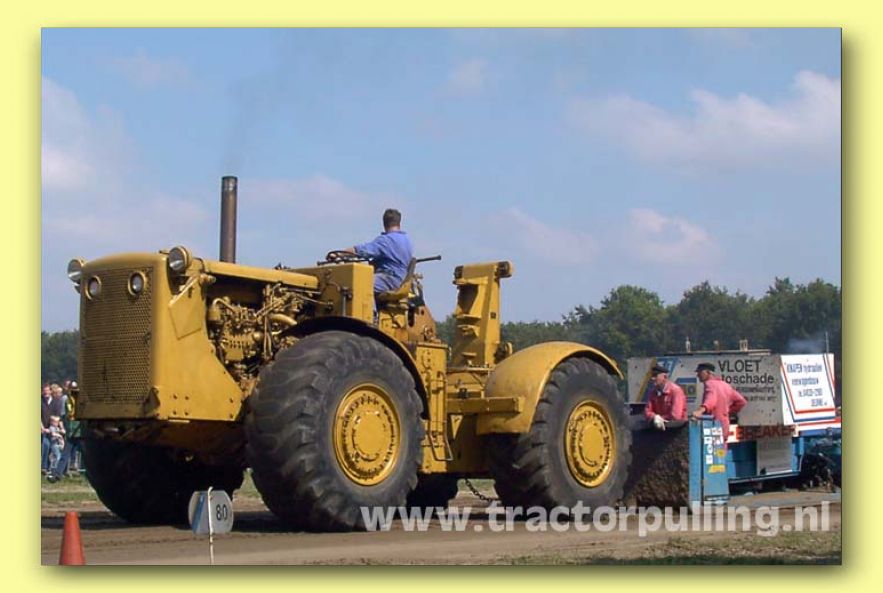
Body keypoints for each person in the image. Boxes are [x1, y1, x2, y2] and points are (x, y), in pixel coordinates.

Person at [343, 208, 414, 294]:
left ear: (384, 223)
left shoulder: (385, 240)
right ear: (399, 222)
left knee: (359, 283)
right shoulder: (406, 240)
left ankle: (367, 304)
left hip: (390, 279)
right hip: (401, 279)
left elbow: (363, 250)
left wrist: (341, 253)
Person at [691, 362, 747, 447]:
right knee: (721, 449)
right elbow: (741, 401)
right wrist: (727, 411)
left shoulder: (710, 384)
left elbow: (710, 400)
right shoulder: (726, 385)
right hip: (724, 424)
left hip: (714, 425)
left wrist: (699, 411)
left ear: (708, 372)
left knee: (712, 451)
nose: (697, 375)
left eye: (700, 372)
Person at [644, 364, 687, 430]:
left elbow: (676, 416)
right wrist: (654, 417)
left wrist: (660, 418)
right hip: (661, 428)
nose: (652, 379)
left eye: (655, 376)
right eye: (652, 376)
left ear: (665, 377)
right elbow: (647, 411)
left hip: (678, 430)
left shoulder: (675, 391)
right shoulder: (653, 393)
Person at [40, 384, 64, 474]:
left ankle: (52, 468)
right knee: (45, 446)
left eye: (47, 390)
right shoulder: (40, 401)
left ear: (50, 391)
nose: (46, 392)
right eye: (44, 391)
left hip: (53, 428)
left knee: (53, 449)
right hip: (44, 428)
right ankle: (44, 467)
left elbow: (58, 417)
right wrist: (42, 428)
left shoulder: (56, 402)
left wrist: (61, 428)